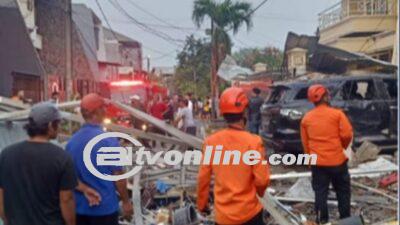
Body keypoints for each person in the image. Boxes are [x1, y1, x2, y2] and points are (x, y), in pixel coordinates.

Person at [197, 87, 270, 225]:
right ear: (245, 112)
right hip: (250, 214)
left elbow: (203, 178)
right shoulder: (253, 142)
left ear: (223, 114)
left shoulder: (211, 142)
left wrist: (202, 204)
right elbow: (262, 180)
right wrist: (259, 194)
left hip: (224, 217)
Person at [0, 102, 77, 225]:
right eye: (58, 123)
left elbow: (2, 197)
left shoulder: (7, 154)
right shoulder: (61, 157)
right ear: (51, 125)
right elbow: (66, 199)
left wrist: (7, 221)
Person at [66, 93, 133, 225]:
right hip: (104, 210)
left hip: (80, 209)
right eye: (103, 107)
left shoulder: (71, 143)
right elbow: (118, 176)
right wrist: (126, 202)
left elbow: (69, 177)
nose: (105, 110)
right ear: (96, 112)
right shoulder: (108, 140)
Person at [300, 84, 353, 224]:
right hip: (338, 162)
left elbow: (305, 144)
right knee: (343, 193)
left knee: (320, 194)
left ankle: (322, 221)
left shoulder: (306, 118)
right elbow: (347, 134)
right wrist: (342, 146)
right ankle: (346, 220)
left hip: (318, 164)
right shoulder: (337, 114)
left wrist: (309, 161)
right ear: (325, 97)